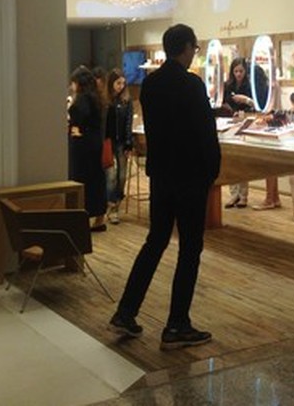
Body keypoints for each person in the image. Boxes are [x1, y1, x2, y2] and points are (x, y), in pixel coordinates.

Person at [109, 23, 221, 349]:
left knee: (155, 241)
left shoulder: (152, 85)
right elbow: (204, 132)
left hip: (161, 177)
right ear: (185, 48)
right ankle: (177, 324)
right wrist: (211, 172)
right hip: (190, 178)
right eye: (194, 48)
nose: (194, 53)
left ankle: (126, 311)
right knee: (190, 248)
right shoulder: (192, 84)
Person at [68, 66, 108, 231]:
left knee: (82, 181)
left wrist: (71, 107)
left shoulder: (83, 99)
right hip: (95, 143)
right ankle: (99, 218)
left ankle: (81, 217)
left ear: (78, 83)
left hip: (84, 147)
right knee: (97, 180)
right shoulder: (96, 97)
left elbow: (78, 117)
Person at [220, 57, 256, 208]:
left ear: (245, 71)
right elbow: (223, 102)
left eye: (241, 71)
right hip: (230, 124)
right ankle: (233, 194)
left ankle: (243, 196)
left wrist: (246, 100)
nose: (238, 74)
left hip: (245, 124)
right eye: (236, 71)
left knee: (242, 161)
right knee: (231, 160)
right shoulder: (228, 85)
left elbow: (257, 105)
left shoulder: (250, 86)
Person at [104, 68, 134, 225]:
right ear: (111, 83)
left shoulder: (126, 101)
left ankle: (116, 203)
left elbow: (128, 122)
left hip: (122, 142)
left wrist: (129, 142)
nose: (121, 86)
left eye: (123, 83)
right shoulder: (106, 101)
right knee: (111, 176)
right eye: (118, 83)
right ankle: (111, 206)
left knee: (122, 176)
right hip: (108, 142)